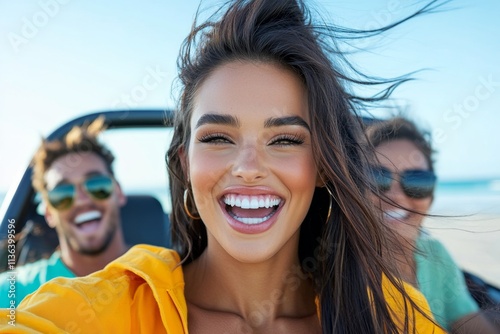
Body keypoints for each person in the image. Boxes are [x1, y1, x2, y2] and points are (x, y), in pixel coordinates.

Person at [0, 1, 446, 333]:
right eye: (217, 138)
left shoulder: (393, 313)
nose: (248, 167)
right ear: (186, 164)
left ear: (325, 166)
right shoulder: (99, 309)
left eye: (285, 139)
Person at [365, 116, 499, 333]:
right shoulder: (344, 267)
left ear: (431, 195)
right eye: (377, 178)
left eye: (417, 181)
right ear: (354, 190)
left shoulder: (435, 256)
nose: (396, 196)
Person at [0, 116, 129, 308]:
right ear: (49, 212)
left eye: (96, 185)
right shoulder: (10, 293)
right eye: (62, 194)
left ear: (118, 192)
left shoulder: (167, 272)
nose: (81, 200)